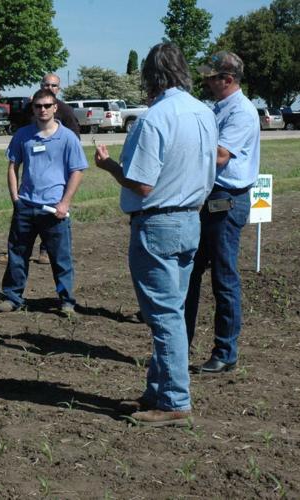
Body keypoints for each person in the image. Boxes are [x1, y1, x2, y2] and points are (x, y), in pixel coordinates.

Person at [93, 42, 217, 426]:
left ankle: (175, 401)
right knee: (172, 311)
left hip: (158, 222)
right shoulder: (204, 113)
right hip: (190, 219)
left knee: (164, 317)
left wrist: (110, 167)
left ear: (152, 76)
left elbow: (142, 183)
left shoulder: (155, 118)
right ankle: (158, 392)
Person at [184, 51, 260, 374]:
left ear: (227, 80)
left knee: (223, 276)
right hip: (212, 198)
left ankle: (226, 352)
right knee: (190, 271)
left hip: (227, 200)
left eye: (212, 77)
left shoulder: (241, 112)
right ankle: (180, 345)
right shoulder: (219, 108)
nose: (207, 82)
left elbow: (219, 155)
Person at [0, 88, 87, 316]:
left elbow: (77, 171)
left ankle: (66, 301)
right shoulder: (23, 135)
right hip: (26, 207)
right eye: (38, 106)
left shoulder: (67, 138)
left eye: (47, 105)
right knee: (17, 255)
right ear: (33, 109)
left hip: (54, 209)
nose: (42, 110)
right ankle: (13, 297)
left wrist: (64, 203)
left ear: (55, 107)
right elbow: (13, 166)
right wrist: (15, 198)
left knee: (60, 259)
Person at [0, 73, 81, 267]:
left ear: (58, 89)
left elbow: (75, 139)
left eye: (54, 85)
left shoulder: (66, 111)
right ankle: (17, 252)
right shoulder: (30, 108)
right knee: (23, 222)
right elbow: (20, 132)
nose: (50, 88)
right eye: (46, 84)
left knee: (53, 219)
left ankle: (45, 251)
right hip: (30, 181)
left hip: (56, 177)